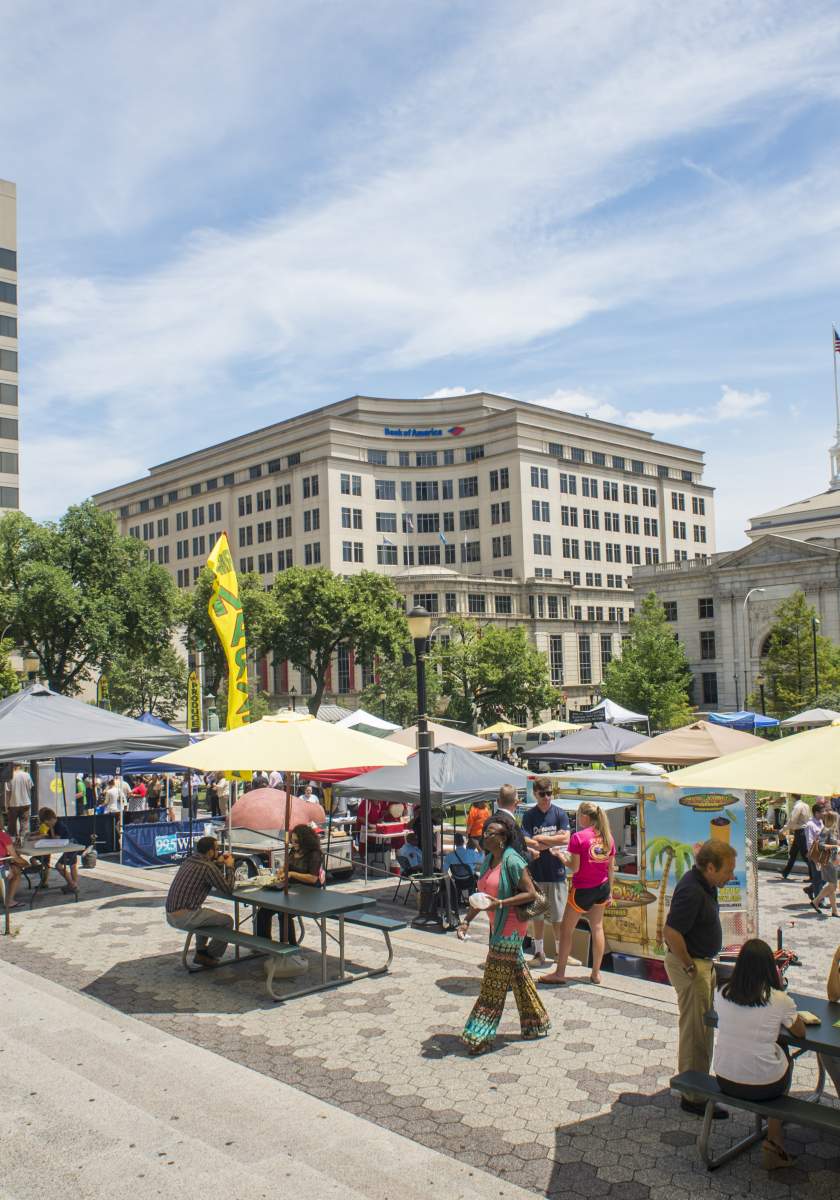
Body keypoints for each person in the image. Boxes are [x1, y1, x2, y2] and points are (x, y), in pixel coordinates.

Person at [457, 815, 551, 1055]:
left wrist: (500, 904)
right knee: (519, 975)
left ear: (502, 838)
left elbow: (530, 893)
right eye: (485, 832)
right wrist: (466, 921)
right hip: (496, 925)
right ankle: (536, 1022)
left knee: (493, 986)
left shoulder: (513, 860)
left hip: (511, 928)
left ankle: (479, 1036)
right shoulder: (489, 859)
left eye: (490, 833)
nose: (485, 836)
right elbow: (481, 898)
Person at [712, 938, 806, 1170]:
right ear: (770, 968)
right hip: (764, 1086)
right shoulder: (779, 1000)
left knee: (765, 1053)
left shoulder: (721, 992)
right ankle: (774, 1141)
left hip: (724, 1076)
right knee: (782, 1055)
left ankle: (773, 1138)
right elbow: (800, 1032)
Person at [662, 839, 738, 1117]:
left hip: (701, 962)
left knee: (701, 1030)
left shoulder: (705, 883)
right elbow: (671, 932)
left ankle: (694, 1084)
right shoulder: (693, 890)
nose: (731, 876)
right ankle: (693, 1097)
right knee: (697, 1033)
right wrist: (690, 966)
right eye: (728, 870)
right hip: (692, 965)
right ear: (710, 868)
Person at [539, 801, 614, 986]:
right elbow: (611, 868)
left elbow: (575, 867)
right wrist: (610, 893)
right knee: (597, 927)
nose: (578, 818)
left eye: (579, 815)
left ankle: (560, 973)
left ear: (585, 817)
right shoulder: (607, 837)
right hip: (602, 887)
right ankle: (596, 974)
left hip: (583, 889)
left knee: (566, 930)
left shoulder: (578, 837)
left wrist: (560, 856)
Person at [165, 835, 235, 967]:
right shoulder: (208, 867)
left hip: (171, 914)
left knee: (204, 913)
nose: (218, 852)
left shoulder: (189, 860)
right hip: (185, 917)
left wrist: (219, 863)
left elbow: (209, 875)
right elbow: (228, 889)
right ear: (210, 852)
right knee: (227, 921)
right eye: (217, 849)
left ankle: (201, 952)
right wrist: (230, 867)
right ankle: (210, 955)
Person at [522, 777, 570, 968]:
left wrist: (541, 838)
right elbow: (525, 840)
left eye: (550, 793)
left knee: (558, 917)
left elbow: (566, 838)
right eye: (543, 794)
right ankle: (539, 953)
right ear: (535, 794)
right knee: (538, 917)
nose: (547, 797)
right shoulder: (529, 816)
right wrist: (552, 840)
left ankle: (560, 954)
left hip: (557, 873)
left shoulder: (559, 813)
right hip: (537, 874)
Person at [255, 824, 324, 944]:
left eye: (296, 841)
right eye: (292, 841)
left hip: (308, 894)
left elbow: (313, 878)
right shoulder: (293, 850)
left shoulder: (314, 854)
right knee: (263, 912)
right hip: (290, 890)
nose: (293, 844)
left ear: (305, 841)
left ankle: (289, 946)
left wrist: (291, 874)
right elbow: (286, 866)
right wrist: (281, 871)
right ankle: (263, 944)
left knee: (284, 914)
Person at [34, 807, 79, 894]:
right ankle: (73, 885)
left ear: (50, 820)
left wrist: (51, 828)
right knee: (72, 865)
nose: (46, 825)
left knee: (59, 865)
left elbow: (55, 839)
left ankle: (73, 885)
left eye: (47, 823)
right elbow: (48, 836)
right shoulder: (53, 824)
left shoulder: (58, 825)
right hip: (67, 846)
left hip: (71, 846)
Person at [812, 811, 840, 917]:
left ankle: (834, 911)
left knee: (832, 887)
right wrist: (835, 846)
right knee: (833, 886)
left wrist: (837, 845)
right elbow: (821, 845)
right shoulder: (826, 830)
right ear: (833, 820)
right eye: (837, 819)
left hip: (833, 861)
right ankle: (816, 901)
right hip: (827, 862)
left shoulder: (833, 831)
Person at [780, 794, 810, 878]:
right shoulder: (806, 805)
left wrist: (783, 830)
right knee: (793, 853)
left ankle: (814, 874)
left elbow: (792, 821)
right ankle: (785, 872)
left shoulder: (797, 807)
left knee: (804, 854)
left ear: (792, 797)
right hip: (803, 831)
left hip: (800, 832)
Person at [0, 825, 29, 908]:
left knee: (12, 865)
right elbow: (14, 856)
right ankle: (9, 901)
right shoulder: (3, 835)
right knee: (16, 870)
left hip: (3, 862)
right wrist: (26, 864)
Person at [803, 801, 827, 904]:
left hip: (823, 853)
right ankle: (820, 901)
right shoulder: (810, 825)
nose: (825, 813)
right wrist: (813, 856)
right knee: (818, 878)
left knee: (826, 877)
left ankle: (811, 889)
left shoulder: (821, 822)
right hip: (815, 854)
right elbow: (809, 842)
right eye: (823, 811)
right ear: (817, 813)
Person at [494, 784, 528, 856]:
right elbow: (518, 852)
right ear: (516, 803)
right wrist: (531, 855)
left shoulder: (488, 821)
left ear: (498, 801)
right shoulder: (511, 825)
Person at [6, 763, 33, 838]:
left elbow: (8, 792)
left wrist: (7, 805)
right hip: (26, 803)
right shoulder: (27, 775)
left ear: (12, 766)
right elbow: (30, 787)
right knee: (24, 826)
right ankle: (23, 841)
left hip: (13, 804)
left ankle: (13, 842)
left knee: (12, 827)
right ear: (20, 766)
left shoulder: (10, 776)